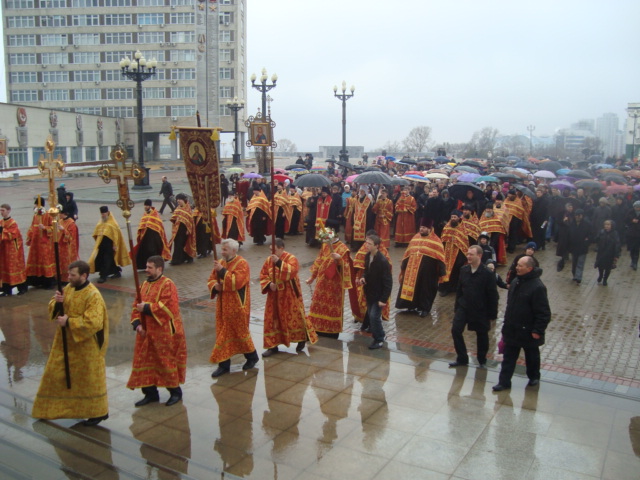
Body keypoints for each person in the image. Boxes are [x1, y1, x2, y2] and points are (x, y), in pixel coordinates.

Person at [32, 260, 110, 426]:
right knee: (56, 373)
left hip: (86, 346)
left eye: (72, 275)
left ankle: (98, 412)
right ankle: (53, 408)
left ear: (84, 275)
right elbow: (54, 306)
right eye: (68, 274)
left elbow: (94, 322)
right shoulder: (68, 288)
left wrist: (69, 322)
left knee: (88, 379)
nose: (69, 277)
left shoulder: (93, 295)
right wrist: (57, 301)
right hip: (64, 342)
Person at [127, 255, 187, 407]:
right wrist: (138, 324)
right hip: (146, 332)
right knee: (145, 360)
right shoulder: (144, 285)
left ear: (159, 269)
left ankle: (175, 392)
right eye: (146, 267)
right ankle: (150, 393)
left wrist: (146, 307)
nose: (146, 270)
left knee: (165, 362)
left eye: (149, 267)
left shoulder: (168, 284)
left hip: (164, 332)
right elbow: (136, 305)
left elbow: (169, 307)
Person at [493, 256, 551, 391]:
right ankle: (504, 382)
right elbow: (510, 305)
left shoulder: (538, 287)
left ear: (529, 268)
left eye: (520, 266)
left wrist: (537, 330)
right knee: (508, 358)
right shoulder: (515, 281)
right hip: (512, 328)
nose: (516, 268)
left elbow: (544, 312)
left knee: (532, 357)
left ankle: (534, 377)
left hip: (529, 331)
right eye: (517, 265)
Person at [208, 239, 259, 377]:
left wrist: (222, 271)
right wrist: (214, 286)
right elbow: (211, 279)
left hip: (237, 305)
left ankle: (252, 356)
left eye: (225, 249)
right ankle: (224, 365)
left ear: (234, 250)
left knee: (240, 332)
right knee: (223, 333)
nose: (222, 252)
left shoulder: (242, 263)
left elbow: (237, 282)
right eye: (222, 249)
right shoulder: (221, 262)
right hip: (223, 304)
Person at [260, 238, 318, 357]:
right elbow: (263, 274)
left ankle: (301, 339)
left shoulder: (291, 258)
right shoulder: (268, 260)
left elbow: (292, 271)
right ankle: (272, 345)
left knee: (293, 317)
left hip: (288, 294)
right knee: (272, 319)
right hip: (274, 295)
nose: (272, 253)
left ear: (281, 248)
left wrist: (279, 263)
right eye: (270, 250)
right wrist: (269, 284)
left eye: (274, 250)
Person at [449, 245, 498, 368]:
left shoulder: (487, 273)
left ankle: (482, 360)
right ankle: (462, 358)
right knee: (456, 330)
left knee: (481, 335)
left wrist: (492, 315)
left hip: (480, 309)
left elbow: (493, 295)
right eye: (468, 254)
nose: (468, 256)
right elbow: (459, 290)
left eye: (471, 254)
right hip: (464, 306)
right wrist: (457, 307)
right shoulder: (464, 270)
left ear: (479, 256)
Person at [306, 226, 352, 337]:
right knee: (317, 304)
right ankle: (315, 328)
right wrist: (312, 277)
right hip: (321, 282)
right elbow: (318, 261)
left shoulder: (343, 249)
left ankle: (332, 332)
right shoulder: (325, 245)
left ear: (334, 235)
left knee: (332, 307)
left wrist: (339, 259)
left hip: (334, 285)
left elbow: (346, 268)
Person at [395, 218, 446, 317]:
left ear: (429, 228)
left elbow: (440, 257)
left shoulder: (436, 240)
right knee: (412, 288)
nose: (421, 229)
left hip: (428, 273)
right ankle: (410, 306)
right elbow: (408, 252)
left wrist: (442, 271)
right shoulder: (415, 237)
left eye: (424, 227)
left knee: (425, 290)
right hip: (412, 270)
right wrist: (404, 264)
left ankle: (425, 309)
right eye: (420, 227)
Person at [358, 234, 392, 349]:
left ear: (376, 246)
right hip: (369, 293)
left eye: (369, 244)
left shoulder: (382, 261)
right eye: (366, 243)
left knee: (373, 317)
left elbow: (388, 282)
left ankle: (379, 339)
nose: (367, 245)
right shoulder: (368, 256)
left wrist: (383, 299)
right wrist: (363, 277)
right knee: (373, 316)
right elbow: (366, 271)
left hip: (379, 295)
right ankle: (381, 335)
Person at [88, 206, 130, 283]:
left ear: (107, 212)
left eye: (104, 213)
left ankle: (103, 276)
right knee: (105, 259)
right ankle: (117, 272)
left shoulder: (113, 223)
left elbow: (116, 235)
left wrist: (115, 245)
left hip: (110, 246)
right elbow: (97, 231)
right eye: (101, 214)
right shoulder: (101, 222)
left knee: (106, 260)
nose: (102, 215)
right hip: (102, 245)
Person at [26, 198, 56, 288]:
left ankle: (47, 282)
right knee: (35, 260)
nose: (34, 207)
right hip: (35, 244)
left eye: (35, 205)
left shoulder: (48, 215)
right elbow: (32, 227)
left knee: (45, 261)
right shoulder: (35, 215)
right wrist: (29, 237)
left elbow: (53, 228)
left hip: (44, 243)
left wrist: (44, 228)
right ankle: (36, 281)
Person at [438, 210, 469, 297]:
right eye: (452, 217)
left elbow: (464, 243)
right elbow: (442, 240)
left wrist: (462, 257)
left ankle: (453, 288)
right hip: (446, 254)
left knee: (455, 272)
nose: (453, 219)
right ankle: (444, 288)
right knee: (444, 271)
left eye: (455, 217)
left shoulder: (462, 229)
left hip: (456, 255)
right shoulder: (446, 227)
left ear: (458, 218)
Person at [134, 199, 171, 269]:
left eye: (147, 205)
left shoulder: (154, 214)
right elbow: (142, 224)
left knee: (153, 251)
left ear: (150, 206)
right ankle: (145, 266)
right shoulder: (145, 214)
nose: (145, 207)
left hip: (154, 236)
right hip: (145, 236)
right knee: (145, 251)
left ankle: (156, 265)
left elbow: (158, 225)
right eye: (145, 205)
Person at [0, 203, 28, 296]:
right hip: (4, 250)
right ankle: (6, 289)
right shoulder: (1, 222)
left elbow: (13, 235)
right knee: (5, 269)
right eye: (0, 210)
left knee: (15, 268)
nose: (1, 212)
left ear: (8, 211)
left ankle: (22, 288)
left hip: (13, 250)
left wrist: (2, 231)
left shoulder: (13, 223)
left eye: (3, 210)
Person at [169, 194, 196, 265]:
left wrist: (188, 230)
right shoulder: (177, 208)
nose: (178, 201)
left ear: (183, 200)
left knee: (184, 244)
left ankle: (186, 258)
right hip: (177, 230)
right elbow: (173, 218)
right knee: (177, 244)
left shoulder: (188, 209)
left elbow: (190, 221)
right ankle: (177, 259)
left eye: (179, 199)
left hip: (184, 230)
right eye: (177, 199)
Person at [568, 208, 591, 284]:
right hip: (573, 247)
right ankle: (575, 275)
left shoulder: (587, 224)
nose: (577, 217)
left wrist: (587, 242)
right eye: (576, 215)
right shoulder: (572, 223)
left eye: (579, 215)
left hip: (582, 247)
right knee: (574, 263)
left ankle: (578, 277)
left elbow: (590, 235)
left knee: (580, 263)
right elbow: (568, 234)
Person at [594, 219, 620, 286]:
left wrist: (617, 255)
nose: (607, 226)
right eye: (605, 224)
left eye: (608, 224)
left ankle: (605, 279)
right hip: (601, 252)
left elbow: (617, 244)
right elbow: (596, 239)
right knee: (600, 266)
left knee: (608, 268)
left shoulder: (615, 233)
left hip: (610, 253)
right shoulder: (601, 232)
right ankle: (600, 275)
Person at [57, 209, 80, 284]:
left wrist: (63, 230)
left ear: (64, 214)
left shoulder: (71, 223)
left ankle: (66, 279)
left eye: (60, 214)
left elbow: (71, 237)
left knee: (66, 264)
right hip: (60, 247)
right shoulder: (60, 221)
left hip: (67, 248)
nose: (58, 215)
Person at [625, 200, 640, 270]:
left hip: (638, 235)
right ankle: (632, 260)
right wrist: (632, 221)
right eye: (636, 207)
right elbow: (626, 220)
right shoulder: (630, 212)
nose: (637, 208)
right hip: (631, 234)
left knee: (637, 249)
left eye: (638, 207)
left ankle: (635, 263)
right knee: (631, 249)